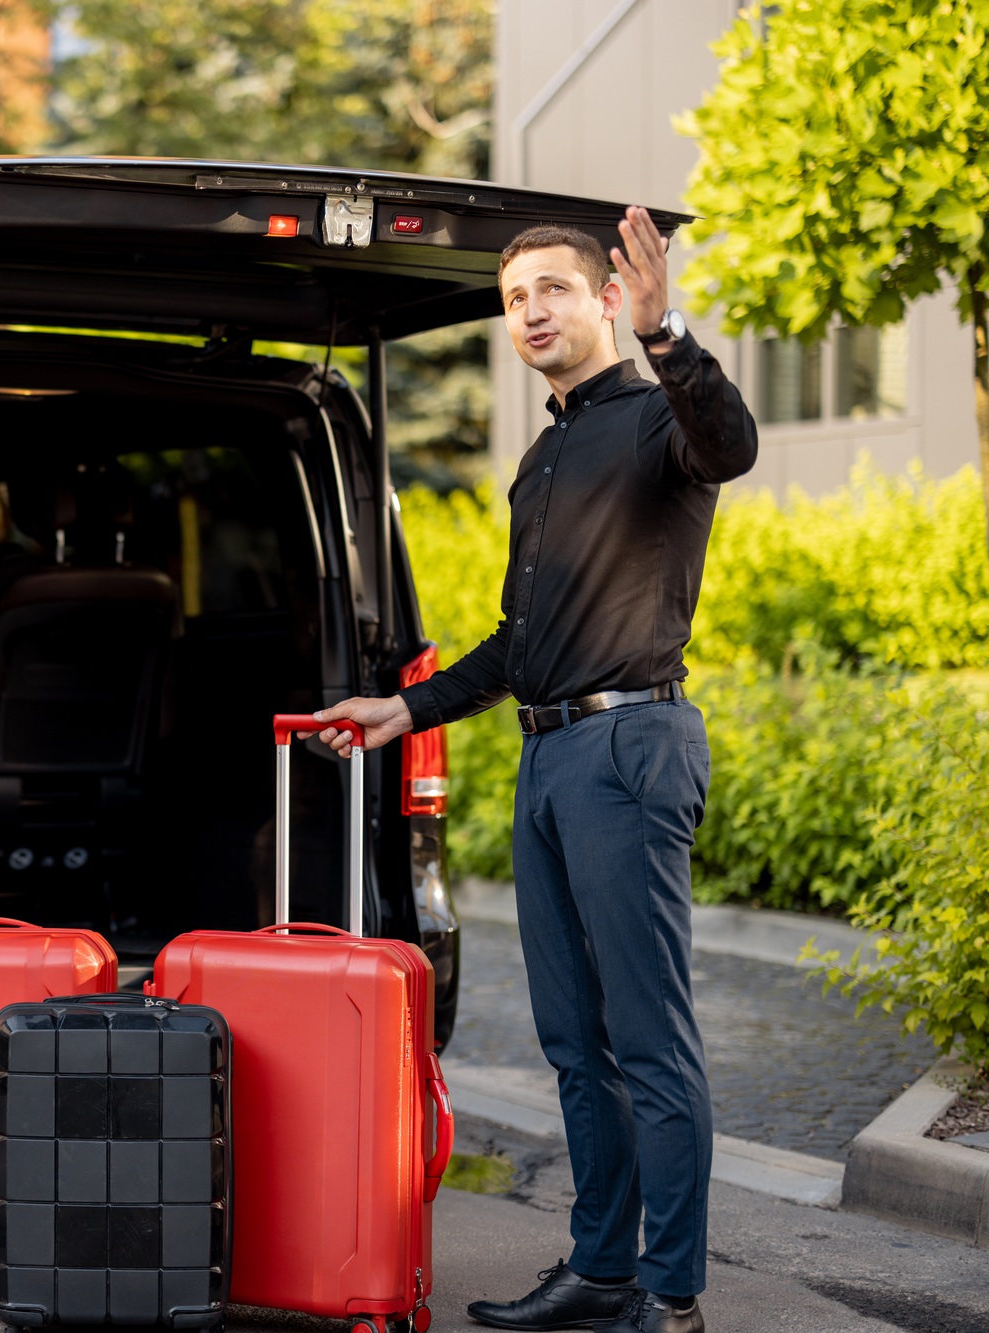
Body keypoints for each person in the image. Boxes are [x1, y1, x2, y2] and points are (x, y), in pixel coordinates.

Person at [310, 209, 756, 1333]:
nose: (531, 312)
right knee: (572, 1040)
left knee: (647, 1039)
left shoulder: (660, 418)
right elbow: (522, 640)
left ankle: (670, 1292)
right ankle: (600, 1269)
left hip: (629, 746)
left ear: (605, 298)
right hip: (548, 754)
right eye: (515, 299)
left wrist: (669, 334)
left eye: (553, 289)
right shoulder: (542, 458)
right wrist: (402, 707)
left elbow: (730, 445)